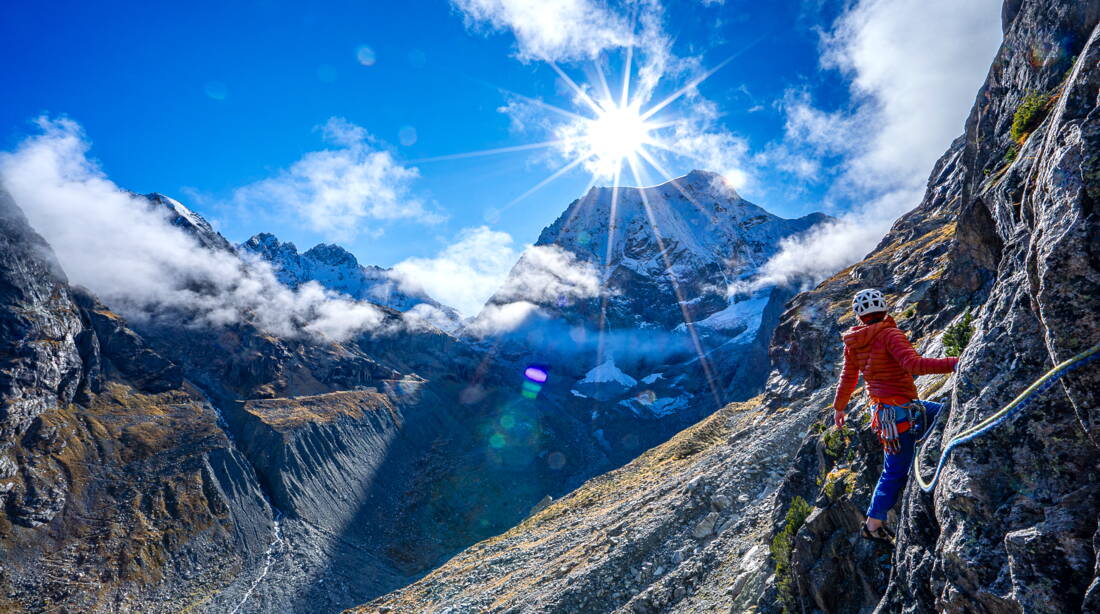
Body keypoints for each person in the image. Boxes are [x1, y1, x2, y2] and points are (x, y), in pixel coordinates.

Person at [832, 289, 958, 543]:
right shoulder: (890, 334)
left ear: (859, 315)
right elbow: (915, 365)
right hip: (902, 411)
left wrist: (839, 407)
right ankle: (872, 523)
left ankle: (876, 520)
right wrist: (955, 362)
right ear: (885, 309)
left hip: (886, 413)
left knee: (946, 412)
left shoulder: (854, 342)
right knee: (895, 471)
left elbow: (848, 378)